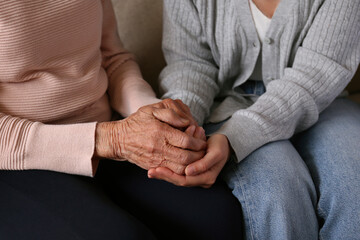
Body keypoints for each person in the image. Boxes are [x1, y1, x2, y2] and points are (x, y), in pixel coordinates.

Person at [150, 0, 360, 239]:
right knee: (277, 189)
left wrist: (237, 136)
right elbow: (190, 64)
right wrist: (184, 124)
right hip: (224, 105)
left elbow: (317, 75)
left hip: (321, 98)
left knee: (355, 183)